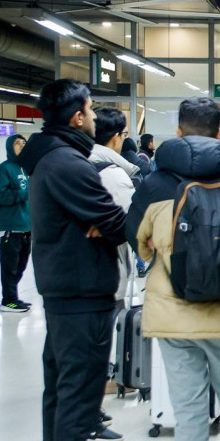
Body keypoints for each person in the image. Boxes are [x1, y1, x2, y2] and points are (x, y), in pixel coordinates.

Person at [125, 97, 220, 441]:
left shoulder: (154, 185)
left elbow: (138, 244)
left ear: (177, 131)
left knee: (188, 411)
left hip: (174, 313)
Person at [17, 79, 127, 441]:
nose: (96, 117)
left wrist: (104, 221)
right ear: (78, 117)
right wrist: (112, 221)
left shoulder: (52, 157)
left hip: (65, 289)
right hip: (82, 293)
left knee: (63, 393)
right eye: (92, 109)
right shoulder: (67, 163)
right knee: (79, 399)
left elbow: (106, 221)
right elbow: (117, 222)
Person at [89, 107, 140, 309]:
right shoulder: (113, 175)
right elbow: (130, 227)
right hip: (106, 275)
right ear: (117, 137)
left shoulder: (73, 164)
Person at [0, 134, 33, 313]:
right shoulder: (4, 169)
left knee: (21, 266)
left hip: (26, 227)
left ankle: (13, 297)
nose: (22, 146)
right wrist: (22, 195)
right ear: (9, 147)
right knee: (10, 267)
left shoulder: (28, 168)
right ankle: (8, 300)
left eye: (24, 143)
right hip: (11, 227)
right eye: (17, 143)